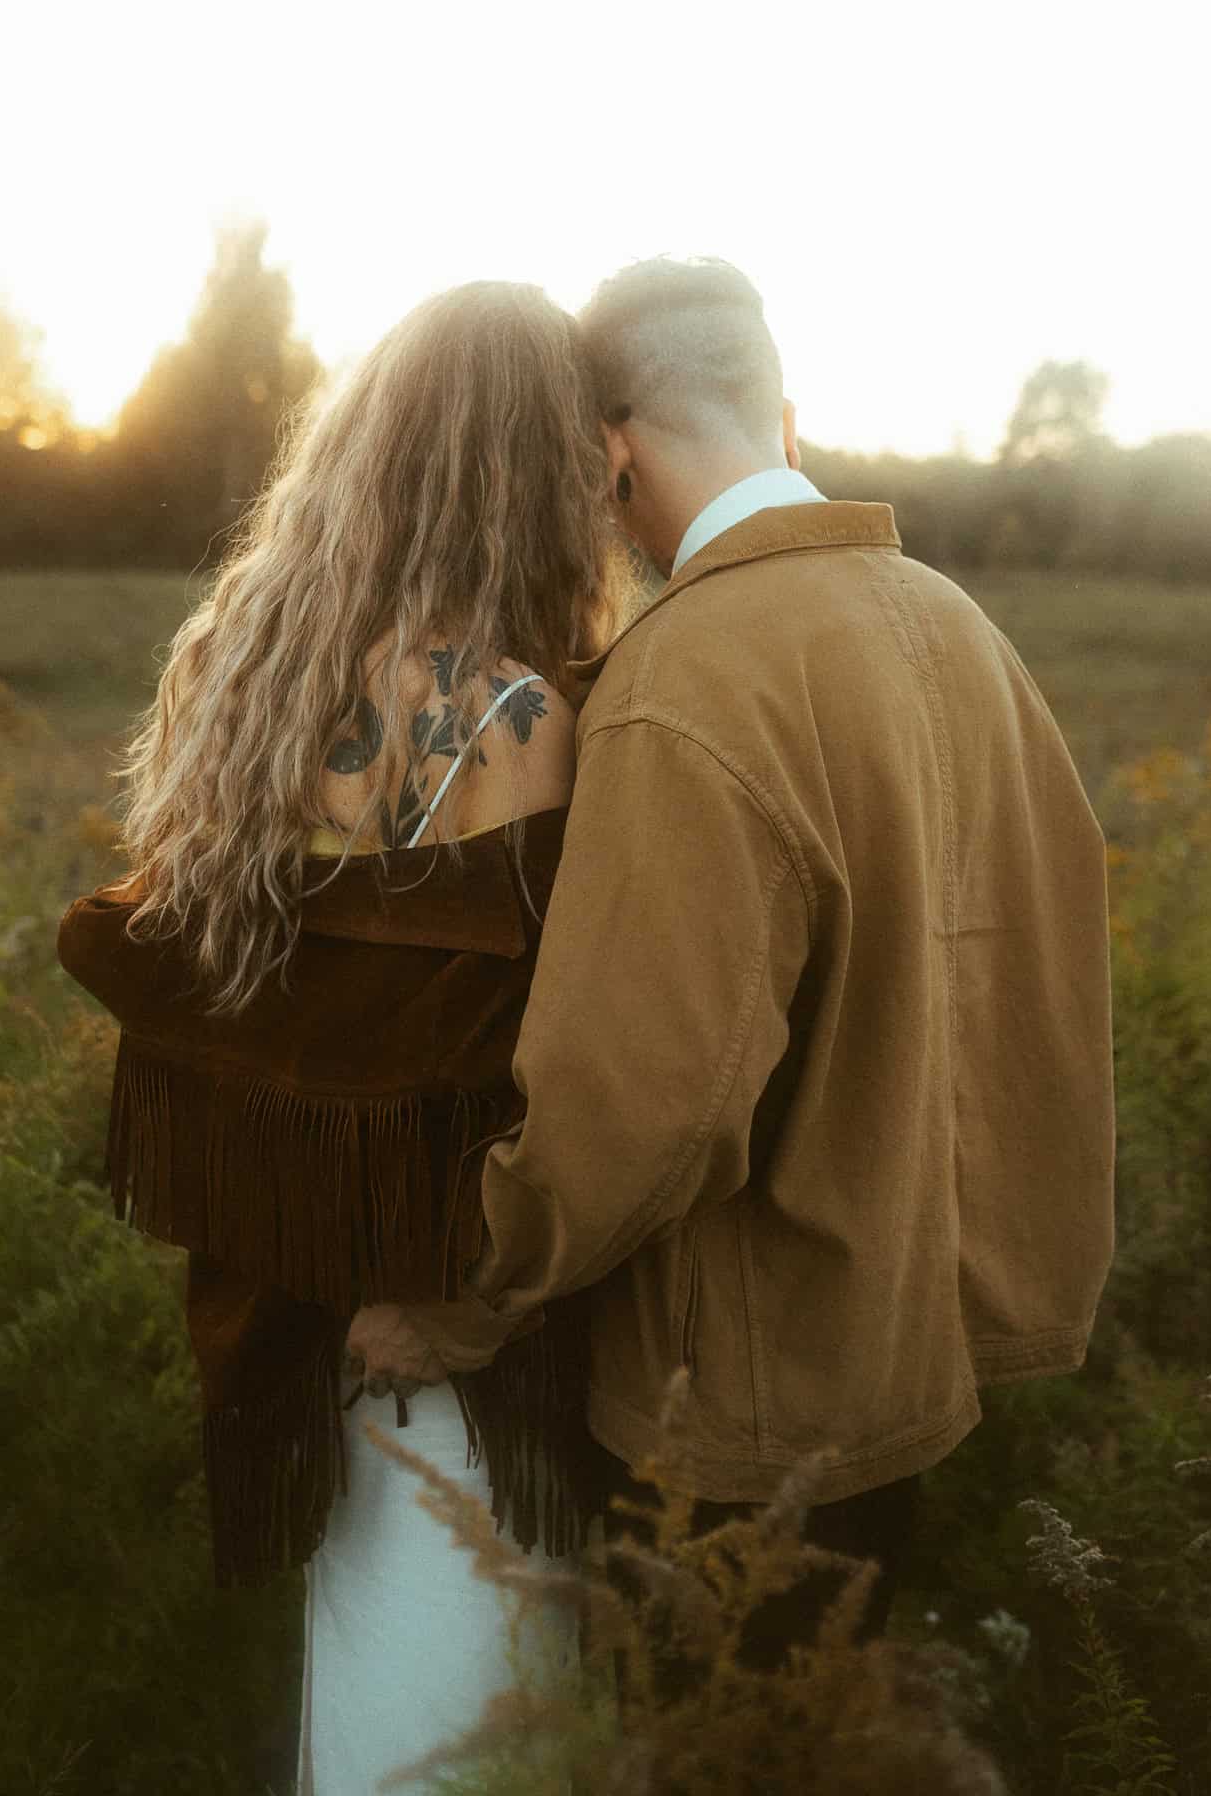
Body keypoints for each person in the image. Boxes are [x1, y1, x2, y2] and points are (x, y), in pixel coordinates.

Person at [350, 254, 1117, 1703]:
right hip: (905, 1364)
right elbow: (1041, 981)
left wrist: (460, 1303)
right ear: (784, 415)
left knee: (703, 1755)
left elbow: (645, 1105)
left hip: (730, 1414)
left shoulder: (684, 680)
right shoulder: (961, 631)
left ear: (609, 455)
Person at [56, 279, 638, 1796]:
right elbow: (515, 1057)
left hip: (290, 1291)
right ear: (535, 469)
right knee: (471, 1713)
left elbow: (242, 1012)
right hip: (452, 1307)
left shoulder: (236, 668)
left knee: (375, 1677)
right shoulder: (517, 716)